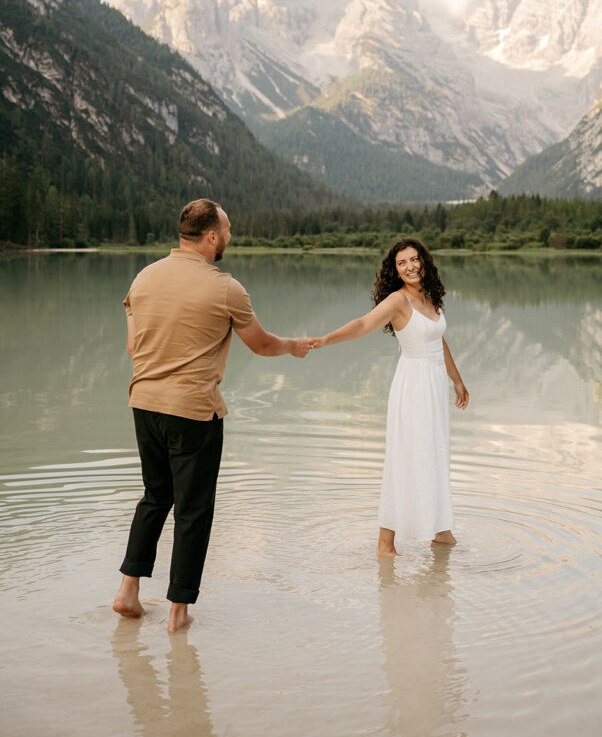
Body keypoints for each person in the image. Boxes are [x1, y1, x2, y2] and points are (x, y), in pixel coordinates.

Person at [113, 198, 311, 632]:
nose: (230, 237)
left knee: (155, 495)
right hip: (192, 411)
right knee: (193, 510)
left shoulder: (144, 277)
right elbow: (260, 344)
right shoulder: (226, 287)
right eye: (228, 230)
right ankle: (178, 614)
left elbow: (133, 346)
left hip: (144, 403)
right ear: (213, 237)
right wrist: (292, 345)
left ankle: (128, 592)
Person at [311, 238, 469, 555]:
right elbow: (363, 324)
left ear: (423, 261)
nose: (410, 266)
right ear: (394, 270)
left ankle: (441, 530)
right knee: (407, 457)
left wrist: (457, 381)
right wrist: (326, 339)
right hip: (413, 388)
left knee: (434, 454)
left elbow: (439, 340)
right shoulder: (398, 301)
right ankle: (386, 543)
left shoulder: (430, 296)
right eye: (402, 263)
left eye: (414, 259)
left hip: (434, 386)